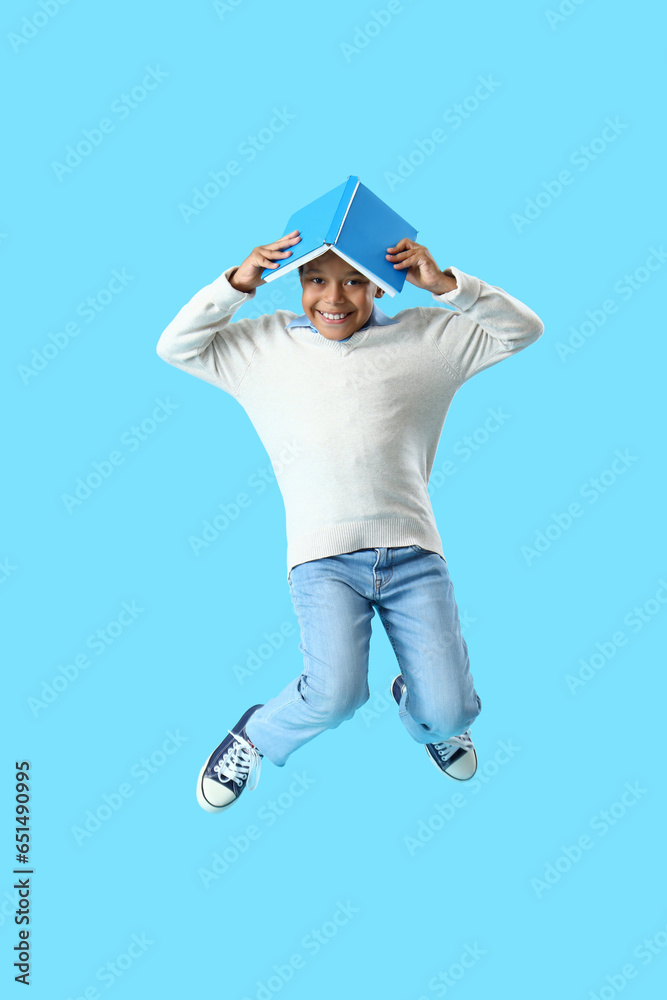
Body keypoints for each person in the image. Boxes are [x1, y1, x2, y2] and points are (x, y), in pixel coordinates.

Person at [155, 229, 544, 814]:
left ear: (381, 286)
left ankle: (425, 708)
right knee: (336, 695)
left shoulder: (427, 341)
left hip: (413, 555)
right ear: (298, 283)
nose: (333, 297)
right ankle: (252, 738)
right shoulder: (265, 345)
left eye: (355, 280)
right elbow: (176, 346)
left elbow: (523, 330)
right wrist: (236, 286)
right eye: (316, 279)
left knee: (451, 712)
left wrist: (448, 286)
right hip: (324, 560)